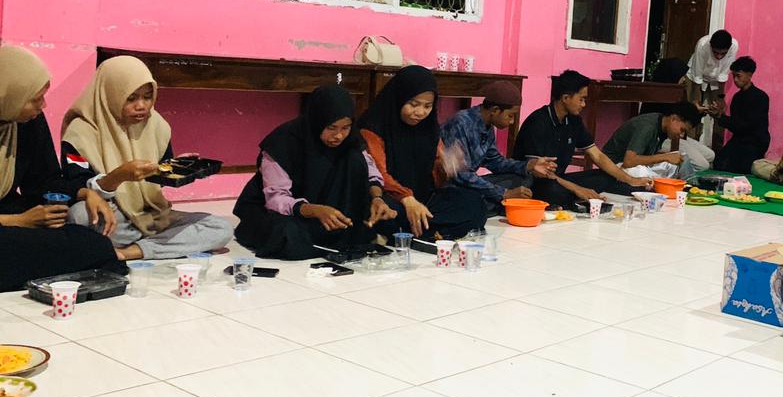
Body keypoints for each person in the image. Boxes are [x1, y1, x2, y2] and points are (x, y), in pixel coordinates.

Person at [62, 56, 233, 260]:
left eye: (148, 97)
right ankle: (161, 244)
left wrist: (174, 166)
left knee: (220, 227)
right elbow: (77, 186)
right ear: (109, 95)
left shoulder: (157, 125)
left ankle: (129, 252)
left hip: (153, 215)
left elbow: (156, 177)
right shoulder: (80, 133)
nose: (142, 106)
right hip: (115, 216)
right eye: (131, 98)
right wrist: (119, 176)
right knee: (79, 215)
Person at [0, 46, 121, 291]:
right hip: (8, 222)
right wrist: (16, 221)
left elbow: (43, 181)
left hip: (11, 215)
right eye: (35, 99)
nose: (42, 106)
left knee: (94, 245)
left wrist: (86, 193)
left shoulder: (25, 122)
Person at [233, 85, 398, 259]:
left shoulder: (351, 140)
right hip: (290, 211)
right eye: (332, 128)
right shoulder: (284, 142)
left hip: (333, 212)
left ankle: (337, 236)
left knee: (389, 210)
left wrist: (377, 198)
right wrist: (315, 210)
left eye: (345, 128)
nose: (339, 136)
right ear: (317, 121)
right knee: (285, 234)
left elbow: (371, 174)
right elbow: (276, 199)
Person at [358, 66, 487, 240]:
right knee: (382, 212)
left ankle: (411, 231)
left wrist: (446, 166)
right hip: (391, 199)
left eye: (427, 106)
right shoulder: (374, 127)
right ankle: (428, 231)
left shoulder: (429, 128)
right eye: (413, 104)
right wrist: (407, 199)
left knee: (474, 203)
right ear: (399, 98)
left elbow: (435, 178)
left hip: (424, 200)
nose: (420, 112)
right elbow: (379, 175)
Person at [512, 70, 653, 209]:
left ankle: (576, 198)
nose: (584, 104)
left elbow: (597, 155)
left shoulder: (573, 120)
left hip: (559, 179)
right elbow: (539, 172)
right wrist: (577, 189)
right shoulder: (538, 122)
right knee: (553, 191)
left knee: (606, 177)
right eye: (581, 99)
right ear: (566, 98)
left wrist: (631, 180)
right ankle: (573, 199)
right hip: (535, 181)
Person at [440, 81, 554, 214]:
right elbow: (459, 175)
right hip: (452, 188)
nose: (512, 121)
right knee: (471, 199)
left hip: (470, 185)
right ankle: (488, 207)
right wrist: (504, 193)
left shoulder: (487, 126)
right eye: (510, 115)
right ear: (494, 110)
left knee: (524, 179)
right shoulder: (461, 122)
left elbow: (496, 162)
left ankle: (491, 207)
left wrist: (528, 165)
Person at [599, 101, 702, 180]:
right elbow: (629, 162)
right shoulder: (647, 127)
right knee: (643, 173)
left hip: (633, 165)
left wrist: (668, 158)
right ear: (674, 119)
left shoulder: (662, 124)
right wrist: (665, 157)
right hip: (614, 166)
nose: (681, 135)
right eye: (682, 130)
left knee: (680, 160)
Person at [711, 56, 770, 174]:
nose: (735, 80)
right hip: (739, 139)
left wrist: (721, 117)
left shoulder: (760, 97)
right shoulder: (737, 97)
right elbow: (736, 124)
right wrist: (719, 115)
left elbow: (747, 125)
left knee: (742, 168)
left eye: (738, 76)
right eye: (734, 76)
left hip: (755, 141)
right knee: (720, 163)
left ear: (749, 75)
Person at [685, 29, 739, 146]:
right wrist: (695, 100)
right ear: (710, 46)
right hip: (695, 76)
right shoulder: (702, 44)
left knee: (720, 111)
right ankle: (690, 145)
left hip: (716, 80)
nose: (719, 56)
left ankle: (717, 147)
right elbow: (697, 76)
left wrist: (720, 99)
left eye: (723, 53)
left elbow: (723, 75)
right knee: (693, 111)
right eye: (715, 53)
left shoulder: (734, 46)